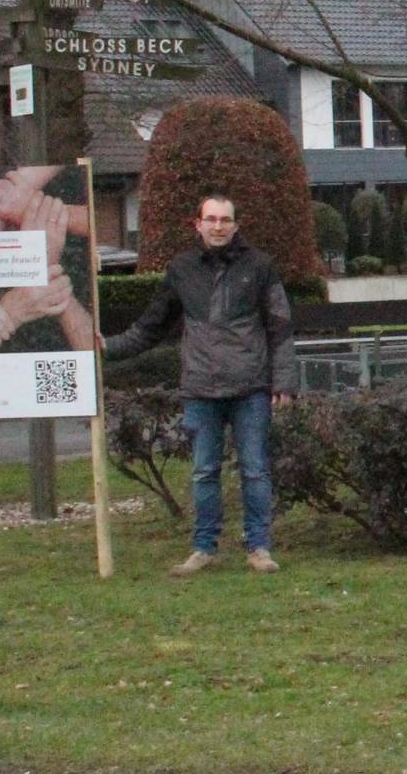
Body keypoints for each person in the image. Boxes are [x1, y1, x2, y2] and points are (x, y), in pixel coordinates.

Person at [104, 194, 297, 576]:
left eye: (225, 220)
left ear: (236, 225)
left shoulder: (261, 267)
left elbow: (280, 326)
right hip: (200, 389)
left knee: (255, 470)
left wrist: (284, 381)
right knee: (204, 471)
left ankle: (259, 547)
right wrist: (108, 347)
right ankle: (203, 548)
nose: (218, 226)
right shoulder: (182, 269)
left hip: (250, 388)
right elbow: (152, 326)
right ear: (198, 224)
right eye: (211, 219)